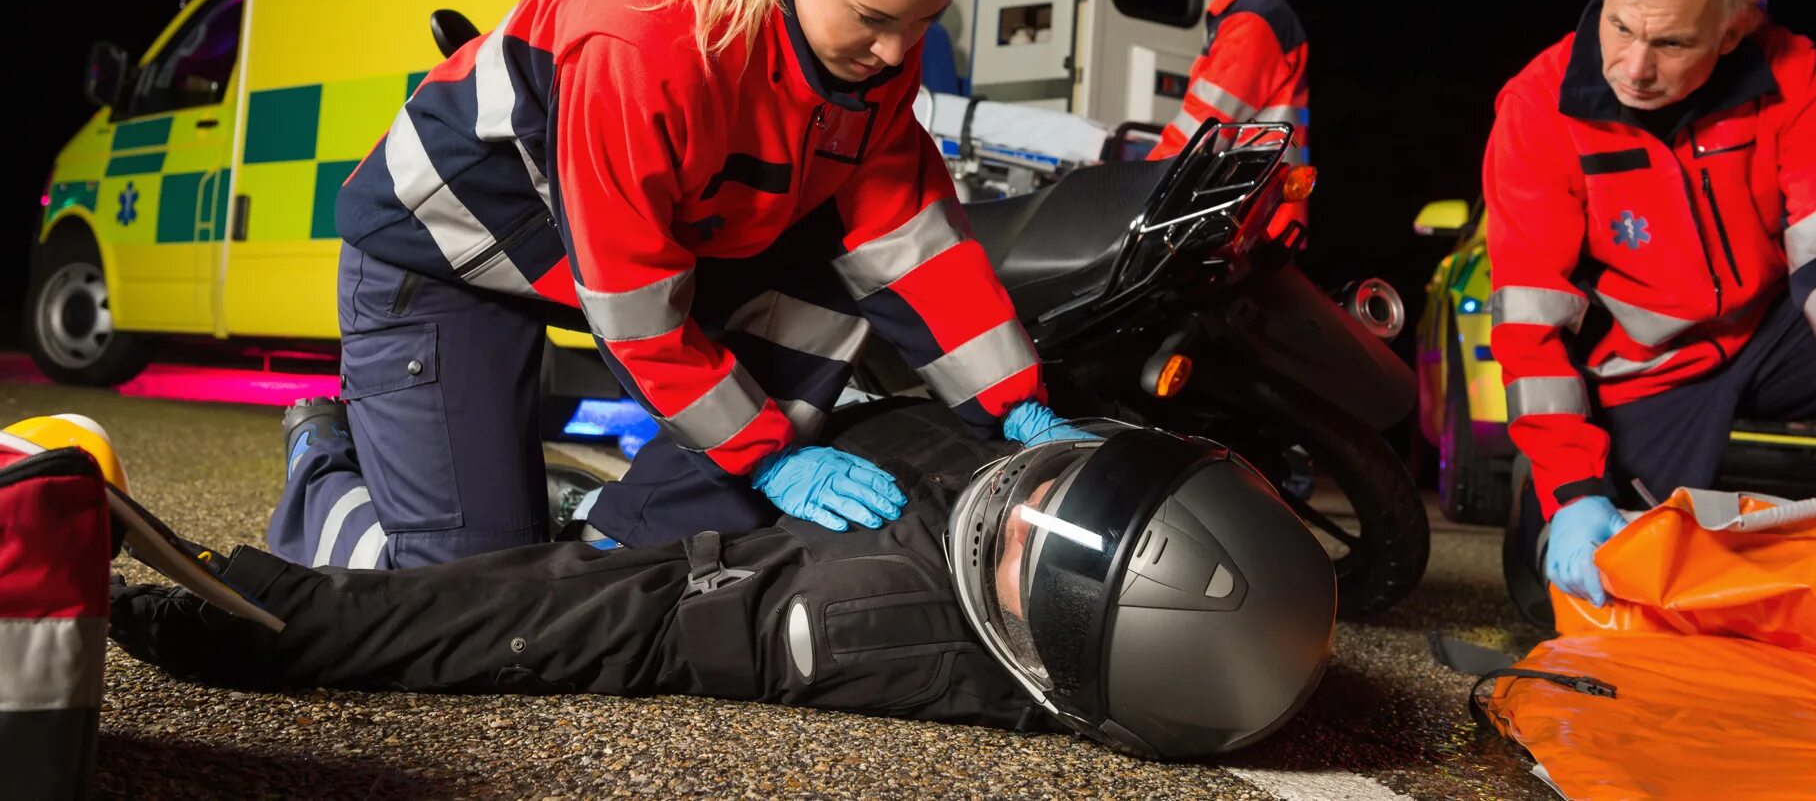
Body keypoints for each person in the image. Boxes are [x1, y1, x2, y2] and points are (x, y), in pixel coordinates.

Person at [272, 0, 1083, 571]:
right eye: (872, 17)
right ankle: (323, 460)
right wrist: (769, 457)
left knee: (822, 290)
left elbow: (906, 235)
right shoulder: (648, 38)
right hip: (443, 253)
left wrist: (1015, 405)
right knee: (465, 590)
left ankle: (612, 537)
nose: (895, 52)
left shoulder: (870, 67)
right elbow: (633, 303)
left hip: (597, 256)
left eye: (923, 22)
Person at [111, 400, 1337, 760]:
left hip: (707, 507)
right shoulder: (1034, 529)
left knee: (406, 561)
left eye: (1037, 544)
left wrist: (255, 620)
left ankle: (319, 452)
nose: (1023, 497)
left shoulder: (864, 618)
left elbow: (558, 621)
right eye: (1071, 481)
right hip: (750, 444)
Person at [1485, 0, 1815, 607]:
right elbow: (1531, 324)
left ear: (1732, 33)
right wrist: (1572, 492)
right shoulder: (1536, 107)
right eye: (1620, 26)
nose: (1633, 68)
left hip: (1772, 331)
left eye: (1670, 43)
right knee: (1579, 591)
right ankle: (1546, 498)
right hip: (1645, 367)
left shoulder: (1792, 70)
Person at [1148, 0, 1310, 238]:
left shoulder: (1252, 18)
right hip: (1255, 203)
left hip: (1255, 211)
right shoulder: (1244, 9)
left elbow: (1206, 126)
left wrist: (1143, 181)